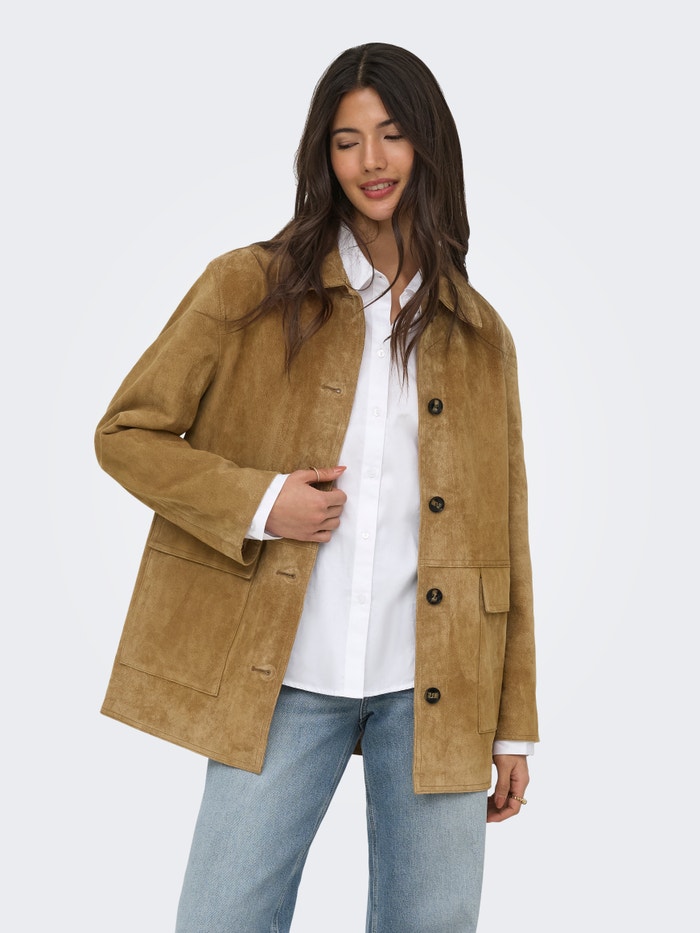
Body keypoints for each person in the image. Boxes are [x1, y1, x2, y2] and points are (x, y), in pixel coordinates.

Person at [95, 42, 539, 933]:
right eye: (346, 141)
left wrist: (512, 724)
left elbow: (507, 531)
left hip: (438, 684)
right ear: (323, 157)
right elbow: (125, 433)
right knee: (220, 917)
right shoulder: (249, 287)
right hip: (286, 675)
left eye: (392, 134)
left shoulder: (479, 332)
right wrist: (264, 503)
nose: (371, 160)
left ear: (429, 145)